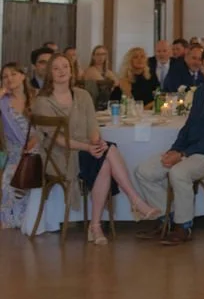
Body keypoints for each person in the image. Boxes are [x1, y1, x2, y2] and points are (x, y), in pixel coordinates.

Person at [34, 53, 158, 242]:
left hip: (85, 148)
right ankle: (133, 202)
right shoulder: (43, 101)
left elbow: (93, 127)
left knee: (106, 155)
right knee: (107, 154)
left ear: (71, 70)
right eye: (56, 68)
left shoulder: (82, 95)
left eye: (65, 67)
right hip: (60, 156)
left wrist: (96, 141)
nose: (61, 71)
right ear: (50, 73)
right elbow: (57, 139)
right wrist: (88, 147)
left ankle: (97, 225)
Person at [133, 46, 204, 246]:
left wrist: (183, 154)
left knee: (179, 172)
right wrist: (174, 149)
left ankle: (183, 226)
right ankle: (167, 218)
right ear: (201, 67)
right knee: (144, 171)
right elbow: (188, 127)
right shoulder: (201, 90)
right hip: (190, 151)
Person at [0, 61, 37, 229]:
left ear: (23, 76)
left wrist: (33, 143)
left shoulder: (36, 98)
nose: (9, 79)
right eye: (5, 76)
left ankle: (26, 218)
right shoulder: (3, 102)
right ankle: (10, 219)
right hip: (15, 152)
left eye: (13, 74)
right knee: (9, 180)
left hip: (37, 149)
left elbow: (46, 129)